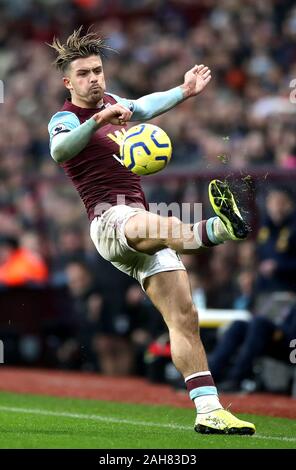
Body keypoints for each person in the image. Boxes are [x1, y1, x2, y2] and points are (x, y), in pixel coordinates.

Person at [47, 27, 255, 435]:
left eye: (98, 70)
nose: (94, 79)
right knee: (165, 224)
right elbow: (59, 150)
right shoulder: (66, 117)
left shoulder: (113, 103)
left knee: (184, 317)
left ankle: (209, 410)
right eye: (84, 74)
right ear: (68, 82)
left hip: (136, 219)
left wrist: (184, 90)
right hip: (109, 219)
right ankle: (219, 226)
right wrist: (98, 122)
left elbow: (143, 105)